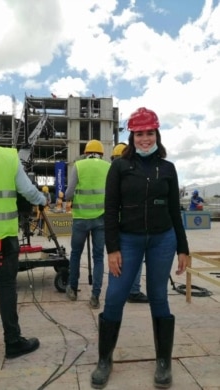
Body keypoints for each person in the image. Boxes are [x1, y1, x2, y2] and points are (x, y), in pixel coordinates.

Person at [91, 107, 189, 389]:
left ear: (156, 134)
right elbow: (110, 210)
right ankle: (104, 360)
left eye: (149, 133)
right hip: (128, 240)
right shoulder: (120, 167)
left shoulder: (168, 169)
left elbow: (174, 210)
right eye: (139, 134)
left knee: (159, 296)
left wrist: (182, 248)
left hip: (163, 239)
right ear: (131, 136)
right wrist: (112, 249)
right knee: (116, 296)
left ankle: (163, 363)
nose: (145, 139)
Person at [0, 109, 49, 365]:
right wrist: (43, 199)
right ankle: (12, 342)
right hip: (3, 237)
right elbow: (27, 190)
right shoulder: (7, 156)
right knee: (6, 288)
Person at [65, 139, 110, 309]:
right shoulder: (108, 167)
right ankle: (95, 296)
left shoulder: (79, 165)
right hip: (101, 219)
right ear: (101, 153)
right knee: (98, 257)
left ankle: (73, 289)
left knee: (76, 254)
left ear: (86, 152)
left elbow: (69, 194)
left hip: (81, 219)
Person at [111, 143, 148, 304]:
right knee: (137, 258)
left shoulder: (111, 170)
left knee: (117, 259)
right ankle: (133, 291)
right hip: (130, 224)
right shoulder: (131, 171)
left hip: (114, 223)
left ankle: (120, 290)